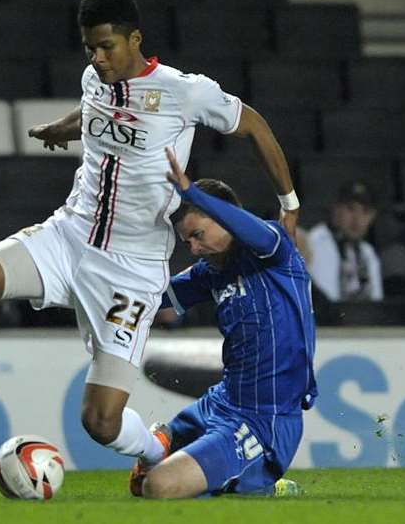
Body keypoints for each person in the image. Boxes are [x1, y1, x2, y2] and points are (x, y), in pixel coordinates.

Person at [0, 0, 301, 469]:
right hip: (69, 236)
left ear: (135, 39)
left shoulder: (184, 91)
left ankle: (156, 449)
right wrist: (60, 128)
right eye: (89, 47)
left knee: (100, 423)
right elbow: (95, 113)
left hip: (130, 269)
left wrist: (288, 202)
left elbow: (255, 126)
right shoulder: (95, 78)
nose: (96, 57)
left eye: (106, 46)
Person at [130, 148, 316, 499]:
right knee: (142, 483)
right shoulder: (210, 272)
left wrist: (192, 192)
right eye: (188, 242)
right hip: (221, 403)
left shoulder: (273, 249)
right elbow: (151, 299)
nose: (195, 248)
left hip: (264, 420)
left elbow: (250, 229)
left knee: (159, 486)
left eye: (198, 234)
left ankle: (257, 483)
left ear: (225, 217)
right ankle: (239, 479)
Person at [307, 181, 383, 302]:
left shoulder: (368, 253)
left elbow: (376, 303)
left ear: (372, 217)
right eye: (351, 209)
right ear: (336, 209)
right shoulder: (314, 243)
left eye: (365, 211)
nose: (357, 218)